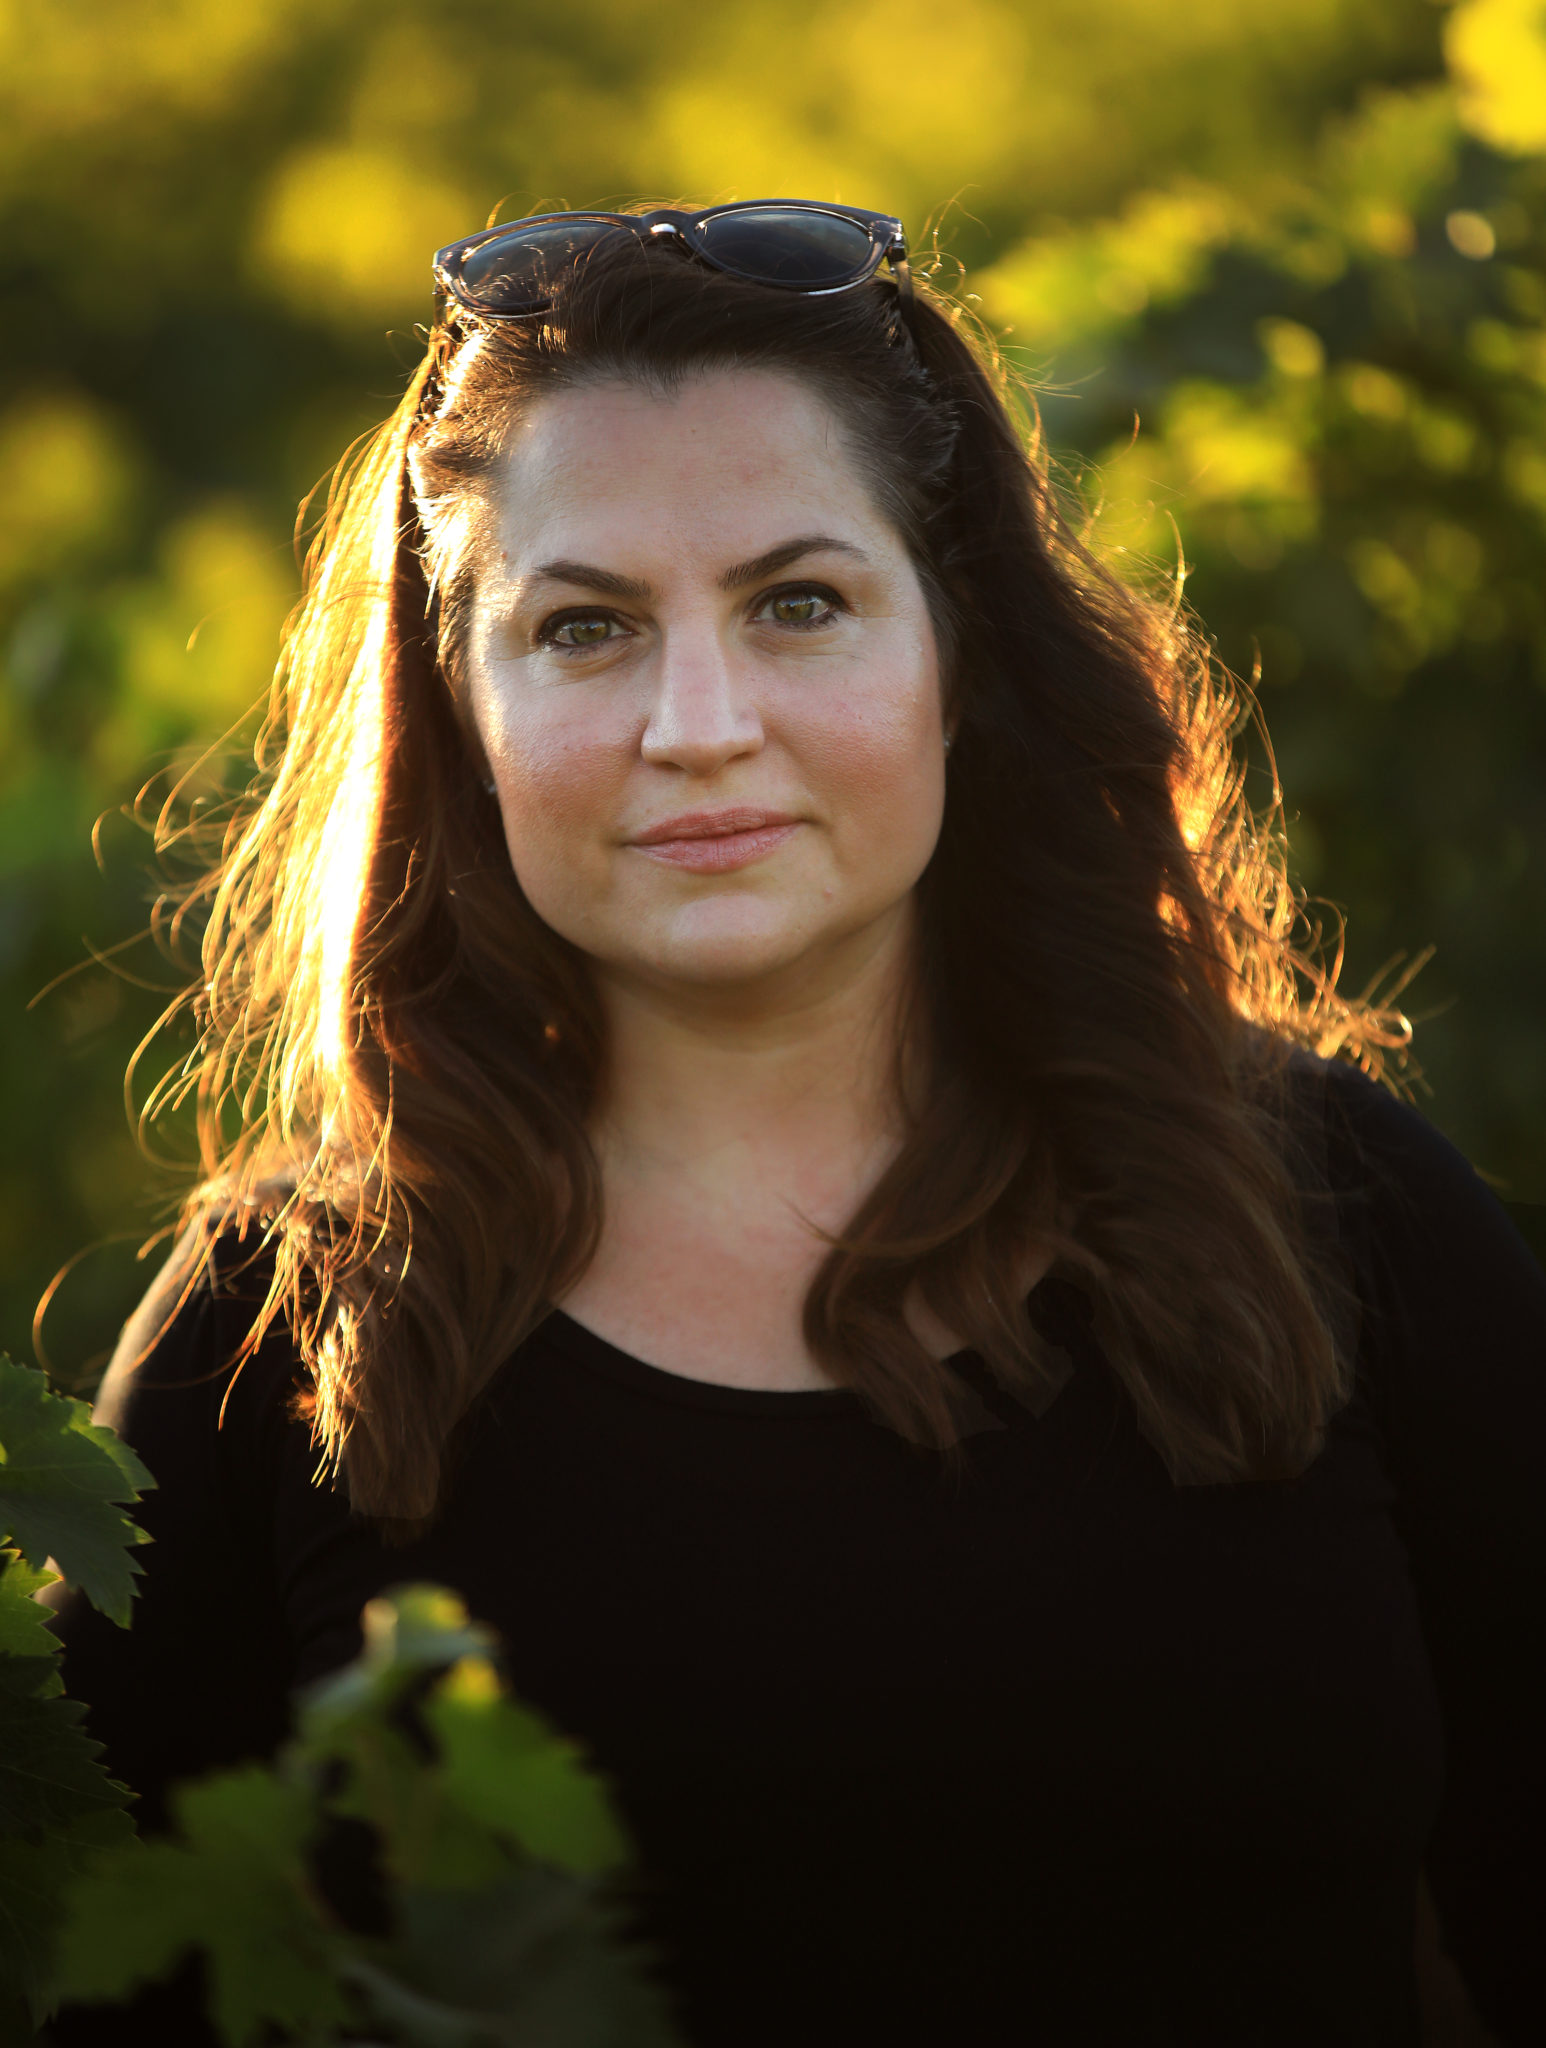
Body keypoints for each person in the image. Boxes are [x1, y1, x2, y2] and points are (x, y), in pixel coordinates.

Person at [48, 201, 1543, 2047]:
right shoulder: (283, 1331)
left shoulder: (1329, 1209)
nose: (699, 723)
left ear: (959, 659)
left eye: (798, 604)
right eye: (582, 629)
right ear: (464, 709)